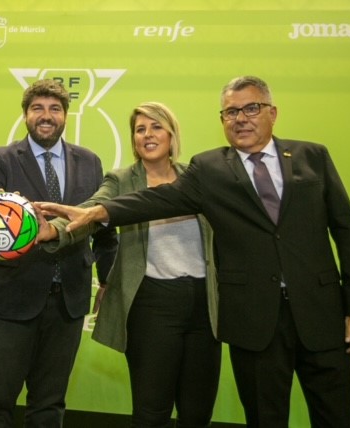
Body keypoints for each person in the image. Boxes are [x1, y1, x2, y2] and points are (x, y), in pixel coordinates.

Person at [36, 76, 350, 428]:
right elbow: (153, 200)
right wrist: (92, 214)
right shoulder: (211, 169)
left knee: (337, 416)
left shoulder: (313, 156)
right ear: (222, 121)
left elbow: (347, 232)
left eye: (251, 108)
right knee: (264, 418)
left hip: (321, 315)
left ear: (272, 113)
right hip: (255, 323)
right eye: (231, 112)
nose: (241, 118)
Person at [37, 101, 221, 428]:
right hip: (152, 303)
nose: (148, 135)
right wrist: (55, 229)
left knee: (198, 411)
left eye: (156, 127)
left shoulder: (196, 177)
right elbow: (92, 212)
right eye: (140, 129)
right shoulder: (121, 180)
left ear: (171, 134)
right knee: (152, 412)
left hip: (204, 304)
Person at [0, 78, 117, 428]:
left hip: (68, 302)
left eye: (54, 109)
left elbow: (103, 228)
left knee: (50, 405)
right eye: (37, 108)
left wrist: (107, 280)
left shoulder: (89, 162)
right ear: (26, 115)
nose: (46, 116)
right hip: (9, 299)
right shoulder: (2, 158)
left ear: (65, 116)